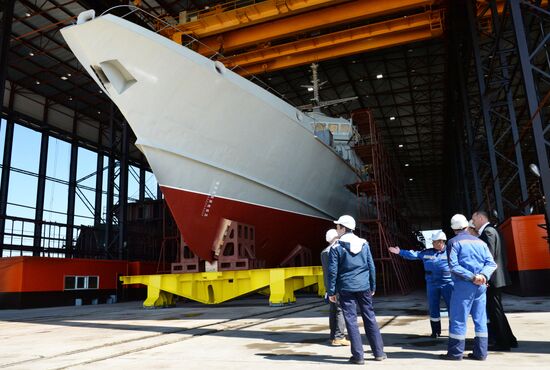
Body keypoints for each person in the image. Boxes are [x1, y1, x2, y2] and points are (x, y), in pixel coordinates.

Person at [327, 215, 386, 364]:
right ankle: (379, 353)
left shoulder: (336, 247)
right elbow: (371, 266)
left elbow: (332, 271)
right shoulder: (364, 244)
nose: (336, 229)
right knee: (370, 317)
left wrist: (331, 291)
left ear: (344, 228)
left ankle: (358, 356)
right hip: (364, 287)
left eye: (338, 226)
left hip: (346, 288)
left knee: (351, 321)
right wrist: (373, 286)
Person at [440, 214, 497, 361]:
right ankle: (481, 353)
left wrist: (473, 277)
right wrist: (483, 276)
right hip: (481, 286)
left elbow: (454, 266)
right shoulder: (480, 243)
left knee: (458, 319)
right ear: (467, 225)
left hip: (464, 286)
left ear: (453, 229)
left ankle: (455, 353)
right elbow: (491, 264)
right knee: (481, 319)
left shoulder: (453, 242)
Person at [389, 230, 453, 338]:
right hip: (432, 284)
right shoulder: (427, 252)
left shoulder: (451, 252)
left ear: (442, 241)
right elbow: (414, 254)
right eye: (433, 242)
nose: (432, 243)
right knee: (433, 307)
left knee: (452, 307)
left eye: (435, 242)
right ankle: (435, 331)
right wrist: (400, 252)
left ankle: (453, 332)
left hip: (447, 283)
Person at [471, 211, 518, 351]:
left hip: (492, 278)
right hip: (496, 277)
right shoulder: (493, 230)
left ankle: (502, 343)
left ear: (480, 217)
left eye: (474, 219)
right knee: (498, 310)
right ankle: (510, 339)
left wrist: (483, 275)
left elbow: (488, 257)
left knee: (494, 311)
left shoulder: (488, 232)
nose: (473, 223)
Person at [321, 228, 350, 346]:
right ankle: (339, 337)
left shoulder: (324, 252)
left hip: (329, 286)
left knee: (333, 310)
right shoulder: (334, 251)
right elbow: (335, 272)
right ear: (335, 238)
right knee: (340, 310)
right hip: (337, 286)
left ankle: (333, 336)